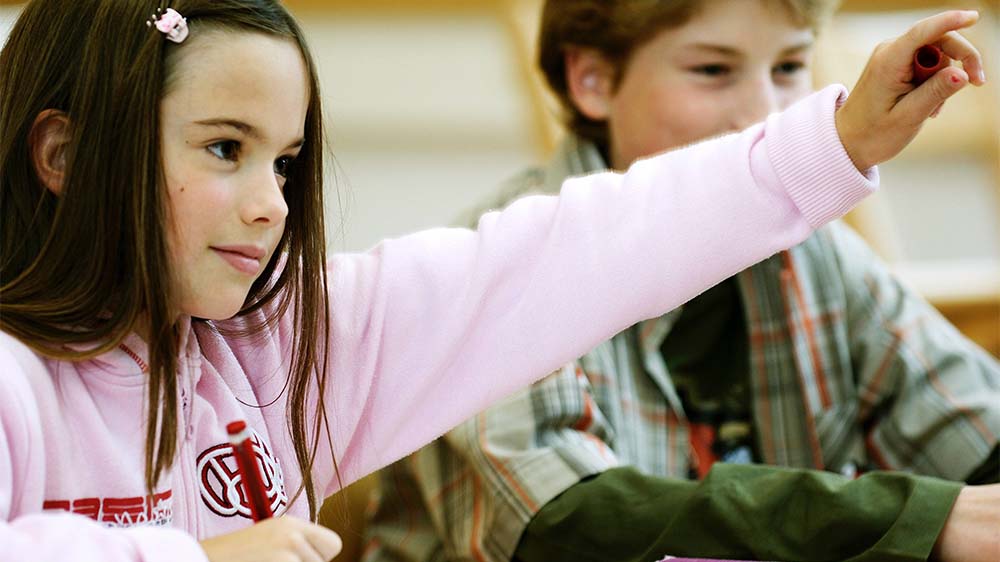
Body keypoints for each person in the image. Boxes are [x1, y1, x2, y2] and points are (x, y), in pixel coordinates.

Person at [0, 1, 986, 561]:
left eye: (287, 164)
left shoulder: (287, 345)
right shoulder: (15, 378)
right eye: (226, 148)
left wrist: (835, 140)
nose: (272, 205)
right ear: (64, 154)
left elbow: (582, 248)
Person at [363, 1, 1000, 561]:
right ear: (592, 80)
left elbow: (974, 434)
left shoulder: (815, 252)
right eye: (713, 71)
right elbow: (565, 523)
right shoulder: (503, 264)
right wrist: (917, 520)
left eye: (787, 69)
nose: (762, 111)